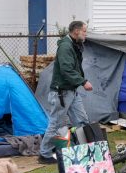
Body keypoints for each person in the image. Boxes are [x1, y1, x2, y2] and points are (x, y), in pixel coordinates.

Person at [39, 20, 93, 164]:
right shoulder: (65, 46)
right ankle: (44, 154)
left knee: (82, 121)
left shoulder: (74, 45)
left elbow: (74, 68)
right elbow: (66, 69)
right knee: (56, 123)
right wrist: (83, 81)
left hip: (72, 91)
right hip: (61, 93)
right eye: (84, 31)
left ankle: (85, 151)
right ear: (76, 31)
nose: (85, 34)